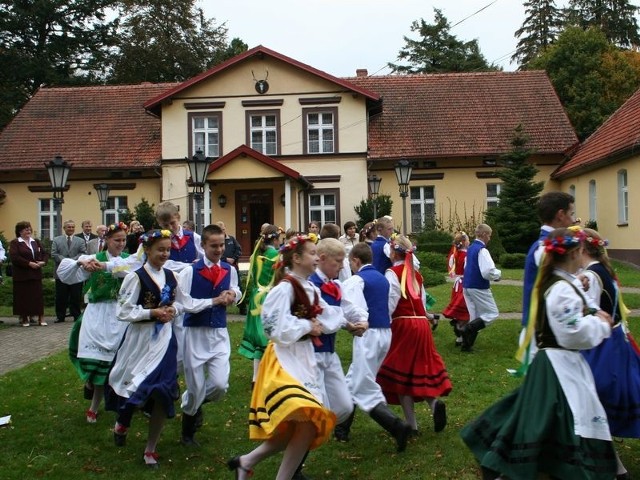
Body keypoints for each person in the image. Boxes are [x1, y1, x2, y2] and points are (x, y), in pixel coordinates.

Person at [461, 227, 616, 480]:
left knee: (535, 416)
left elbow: (566, 308)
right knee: (554, 419)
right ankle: (522, 467)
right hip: (559, 365)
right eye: (581, 251)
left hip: (559, 363)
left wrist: (579, 284)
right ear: (576, 252)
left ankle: (512, 464)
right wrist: (601, 325)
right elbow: (571, 331)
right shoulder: (561, 288)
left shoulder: (560, 281)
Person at [227, 233, 339, 480]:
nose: (316, 257)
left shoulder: (309, 287)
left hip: (304, 358)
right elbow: (272, 327)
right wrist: (307, 327)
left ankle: (246, 462)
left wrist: (353, 321)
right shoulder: (285, 288)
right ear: (296, 258)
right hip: (284, 360)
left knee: (299, 427)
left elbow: (328, 315)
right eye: (311, 253)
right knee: (308, 421)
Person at [106, 230, 218, 468]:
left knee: (162, 393)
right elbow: (123, 310)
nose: (165, 254)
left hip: (165, 342)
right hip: (141, 341)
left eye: (168, 250)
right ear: (147, 250)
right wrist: (151, 313)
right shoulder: (135, 278)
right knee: (138, 389)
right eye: (160, 250)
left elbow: (183, 303)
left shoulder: (171, 276)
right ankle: (123, 420)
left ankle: (150, 449)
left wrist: (174, 310)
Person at [297, 238, 366, 476]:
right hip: (311, 355)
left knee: (345, 406)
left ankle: (300, 443)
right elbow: (327, 320)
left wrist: (361, 318)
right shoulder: (310, 285)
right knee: (318, 413)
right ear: (322, 259)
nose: (341, 267)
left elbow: (348, 306)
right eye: (337, 262)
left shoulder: (335, 284)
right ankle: (295, 462)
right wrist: (349, 325)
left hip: (329, 353)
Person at [338, 242, 412, 452]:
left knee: (362, 383)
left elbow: (353, 307)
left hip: (368, 333)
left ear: (355, 261)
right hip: (385, 333)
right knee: (354, 378)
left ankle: (396, 425)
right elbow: (388, 305)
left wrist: (346, 324)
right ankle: (341, 428)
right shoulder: (382, 277)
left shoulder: (356, 280)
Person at [376, 235, 452, 435]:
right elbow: (422, 301)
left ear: (393, 253)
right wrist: (428, 316)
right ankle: (434, 404)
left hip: (404, 326)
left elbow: (391, 303)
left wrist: (380, 320)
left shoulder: (392, 273)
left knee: (401, 376)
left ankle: (412, 425)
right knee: (419, 371)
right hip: (421, 325)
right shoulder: (415, 274)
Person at [58, 222, 132, 423]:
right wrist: (80, 263)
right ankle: (93, 398)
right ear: (106, 240)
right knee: (97, 360)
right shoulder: (94, 259)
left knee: (116, 363)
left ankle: (121, 404)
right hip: (98, 313)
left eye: (124, 240)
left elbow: (132, 268)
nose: (121, 244)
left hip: (120, 314)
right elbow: (65, 273)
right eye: (117, 240)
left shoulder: (128, 260)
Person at [580, 228, 639, 480]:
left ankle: (613, 468)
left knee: (590, 404)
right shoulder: (603, 270)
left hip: (601, 346)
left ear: (581, 249)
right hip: (616, 341)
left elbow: (586, 312)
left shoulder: (591, 276)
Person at [178, 224, 241, 446]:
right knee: (195, 385)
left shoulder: (229, 269)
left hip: (219, 332)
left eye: (222, 245)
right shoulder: (189, 272)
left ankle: (192, 404)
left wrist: (233, 293)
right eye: (214, 245)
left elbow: (237, 289)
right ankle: (187, 430)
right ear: (203, 245)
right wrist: (213, 301)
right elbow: (183, 303)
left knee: (221, 384)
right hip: (195, 333)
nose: (219, 250)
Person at [518, 192, 575, 367]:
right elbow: (560, 284)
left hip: (548, 328)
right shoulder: (546, 248)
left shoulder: (549, 245)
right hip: (541, 331)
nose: (573, 221)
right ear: (560, 215)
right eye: (571, 214)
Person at [238, 225, 280, 383]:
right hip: (267, 297)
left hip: (256, 296)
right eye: (278, 240)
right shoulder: (274, 254)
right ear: (275, 239)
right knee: (267, 335)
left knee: (258, 335)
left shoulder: (256, 253)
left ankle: (257, 376)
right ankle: (268, 374)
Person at [461, 224, 501, 352]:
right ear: (484, 234)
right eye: (489, 235)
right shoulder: (482, 250)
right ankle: (469, 328)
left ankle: (466, 345)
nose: (489, 238)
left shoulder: (471, 248)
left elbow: (467, 267)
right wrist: (498, 275)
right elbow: (487, 271)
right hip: (478, 286)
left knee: (475, 315)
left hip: (467, 285)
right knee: (492, 313)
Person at [8, 221, 48, 326]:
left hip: (35, 274)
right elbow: (15, 257)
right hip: (22, 275)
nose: (29, 231)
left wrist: (43, 262)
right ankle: (24, 318)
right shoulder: (15, 243)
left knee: (37, 297)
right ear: (20, 231)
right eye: (26, 229)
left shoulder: (36, 241)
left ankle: (41, 317)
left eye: (29, 229)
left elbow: (44, 253)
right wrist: (29, 263)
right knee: (23, 297)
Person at [51, 220, 87, 323]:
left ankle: (76, 315)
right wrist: (66, 261)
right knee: (61, 295)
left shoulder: (80, 241)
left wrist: (73, 261)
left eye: (72, 227)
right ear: (64, 228)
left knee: (76, 295)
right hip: (61, 272)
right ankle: (60, 316)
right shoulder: (57, 240)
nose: (71, 229)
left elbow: (83, 253)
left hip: (76, 272)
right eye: (68, 227)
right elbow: (54, 254)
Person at [442, 232, 470, 347]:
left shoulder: (455, 254)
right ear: (464, 242)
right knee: (466, 310)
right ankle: (460, 329)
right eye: (468, 239)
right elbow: (468, 270)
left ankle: (459, 337)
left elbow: (452, 268)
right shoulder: (466, 255)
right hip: (464, 284)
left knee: (460, 310)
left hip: (457, 284)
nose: (469, 241)